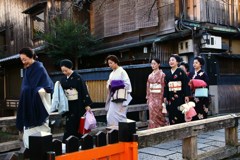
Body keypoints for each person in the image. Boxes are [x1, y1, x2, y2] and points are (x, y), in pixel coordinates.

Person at [16, 47, 54, 148]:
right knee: (28, 134)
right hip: (27, 102)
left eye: (25, 59)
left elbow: (48, 85)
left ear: (31, 57)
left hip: (37, 103)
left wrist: (38, 91)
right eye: (22, 60)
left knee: (39, 133)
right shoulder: (27, 69)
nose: (23, 62)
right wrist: (26, 91)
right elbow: (25, 86)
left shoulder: (39, 68)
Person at [59, 59, 92, 141]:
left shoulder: (78, 77)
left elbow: (84, 90)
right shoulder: (63, 79)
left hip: (78, 104)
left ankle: (76, 141)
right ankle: (69, 141)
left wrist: (87, 105)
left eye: (65, 70)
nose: (64, 73)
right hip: (68, 104)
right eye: (63, 71)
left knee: (77, 124)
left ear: (70, 68)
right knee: (69, 123)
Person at [105, 55, 132, 127]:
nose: (109, 65)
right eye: (109, 63)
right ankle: (113, 131)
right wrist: (110, 85)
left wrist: (114, 84)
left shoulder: (122, 72)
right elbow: (109, 84)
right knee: (110, 116)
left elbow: (127, 84)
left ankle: (122, 133)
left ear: (115, 62)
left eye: (111, 63)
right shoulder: (111, 73)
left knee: (120, 116)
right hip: (113, 97)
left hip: (121, 97)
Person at [163, 54, 190, 125]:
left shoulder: (181, 72)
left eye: (173, 60)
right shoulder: (167, 74)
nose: (170, 62)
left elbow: (186, 84)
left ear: (177, 62)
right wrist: (165, 96)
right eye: (170, 60)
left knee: (179, 112)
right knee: (171, 113)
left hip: (180, 96)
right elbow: (165, 86)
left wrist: (187, 95)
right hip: (170, 96)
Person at [146, 58, 167, 128]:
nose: (153, 65)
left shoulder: (162, 75)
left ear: (159, 64)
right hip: (152, 96)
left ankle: (161, 127)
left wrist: (164, 97)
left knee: (159, 113)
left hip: (159, 96)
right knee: (151, 113)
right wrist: (148, 96)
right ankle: (152, 128)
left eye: (154, 63)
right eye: (152, 64)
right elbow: (148, 87)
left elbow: (164, 86)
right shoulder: (150, 75)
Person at [189, 56, 209, 120]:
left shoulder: (203, 73)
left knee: (201, 111)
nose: (194, 64)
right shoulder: (191, 73)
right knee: (193, 112)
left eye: (196, 63)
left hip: (201, 96)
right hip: (192, 95)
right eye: (193, 63)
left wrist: (196, 82)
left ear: (200, 64)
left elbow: (206, 84)